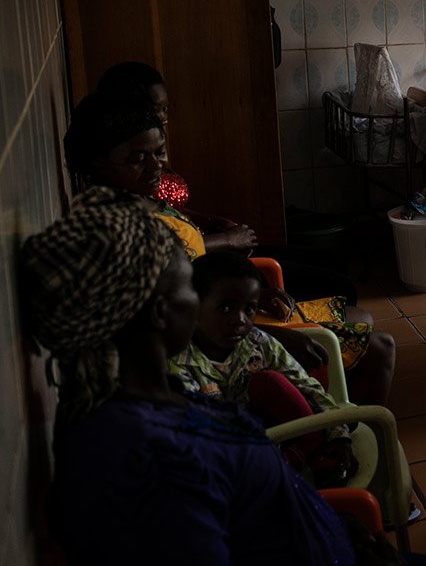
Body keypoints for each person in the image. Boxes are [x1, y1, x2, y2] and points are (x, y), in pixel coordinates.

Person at [20, 187, 357, 565]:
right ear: (161, 312)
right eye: (188, 286)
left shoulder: (151, 395)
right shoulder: (148, 456)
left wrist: (341, 530)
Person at [64, 92, 396, 405]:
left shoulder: (138, 198)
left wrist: (254, 298)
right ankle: (337, 437)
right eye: (137, 158)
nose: (156, 167)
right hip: (212, 347)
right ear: (98, 162)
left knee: (361, 317)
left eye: (159, 152)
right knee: (380, 347)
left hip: (224, 315)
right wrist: (272, 337)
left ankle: (326, 418)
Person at [96, 61, 359, 305]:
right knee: (339, 286)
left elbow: (167, 211)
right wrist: (226, 240)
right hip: (211, 274)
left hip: (221, 255)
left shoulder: (145, 175)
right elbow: (174, 254)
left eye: (165, 109)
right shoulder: (120, 201)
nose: (163, 118)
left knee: (330, 261)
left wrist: (210, 221)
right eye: (156, 110)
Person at [170, 252, 356, 486]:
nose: (240, 320)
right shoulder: (177, 359)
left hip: (277, 432)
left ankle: (312, 446)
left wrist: (339, 436)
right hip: (224, 449)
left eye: (249, 309)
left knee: (270, 381)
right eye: (225, 308)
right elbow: (197, 431)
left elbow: (307, 388)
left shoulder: (259, 342)